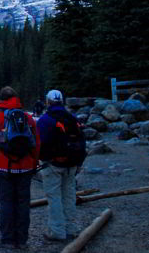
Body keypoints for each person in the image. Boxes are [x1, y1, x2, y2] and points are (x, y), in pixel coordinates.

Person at [0, 86, 40, 250]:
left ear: (0, 99)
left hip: (2, 168)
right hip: (25, 168)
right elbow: (36, 143)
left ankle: (8, 239)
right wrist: (34, 163)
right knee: (23, 203)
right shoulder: (28, 118)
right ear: (16, 98)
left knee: (6, 203)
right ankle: (22, 240)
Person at [37, 89, 86, 242]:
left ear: (48, 102)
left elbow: (39, 144)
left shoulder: (45, 120)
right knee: (69, 196)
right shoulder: (72, 118)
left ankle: (57, 231)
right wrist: (79, 163)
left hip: (52, 164)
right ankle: (71, 229)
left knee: (54, 198)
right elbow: (82, 141)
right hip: (72, 164)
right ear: (62, 101)